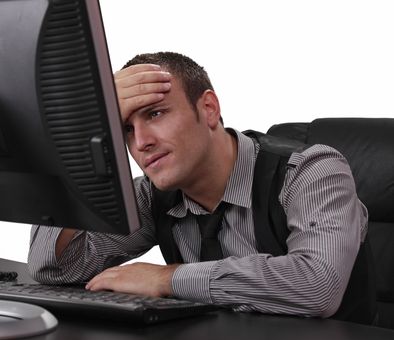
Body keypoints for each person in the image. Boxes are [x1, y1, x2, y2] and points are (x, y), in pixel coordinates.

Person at [28, 52, 368, 319]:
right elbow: (53, 266)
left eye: (155, 114)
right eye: (125, 130)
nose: (141, 142)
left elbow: (318, 285)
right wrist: (82, 135)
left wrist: (167, 279)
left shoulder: (311, 171)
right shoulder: (153, 195)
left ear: (208, 108)